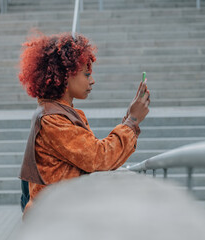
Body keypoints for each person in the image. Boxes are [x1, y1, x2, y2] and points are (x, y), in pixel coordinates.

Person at [18, 32, 150, 215]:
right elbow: (99, 157)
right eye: (86, 74)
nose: (92, 80)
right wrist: (132, 122)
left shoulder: (57, 113)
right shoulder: (53, 120)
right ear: (65, 76)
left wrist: (129, 120)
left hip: (57, 215)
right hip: (54, 219)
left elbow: (91, 155)